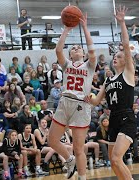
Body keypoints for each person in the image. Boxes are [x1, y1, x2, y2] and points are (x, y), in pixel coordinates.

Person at [85, 6, 136, 180]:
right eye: (114, 56)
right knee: (114, 163)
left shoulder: (128, 73)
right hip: (113, 118)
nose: (116, 57)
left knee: (115, 158)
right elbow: (97, 101)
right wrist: (86, 96)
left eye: (119, 56)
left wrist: (122, 23)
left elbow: (127, 46)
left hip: (126, 118)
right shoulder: (108, 80)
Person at [48, 11, 97, 180]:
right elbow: (58, 49)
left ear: (82, 53)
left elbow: (92, 50)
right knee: (52, 140)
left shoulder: (89, 66)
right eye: (73, 48)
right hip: (64, 102)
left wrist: (84, 27)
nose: (76, 48)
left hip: (80, 105)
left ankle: (82, 178)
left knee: (79, 147)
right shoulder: (66, 64)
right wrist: (66, 30)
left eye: (79, 47)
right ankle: (69, 160)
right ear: (70, 55)